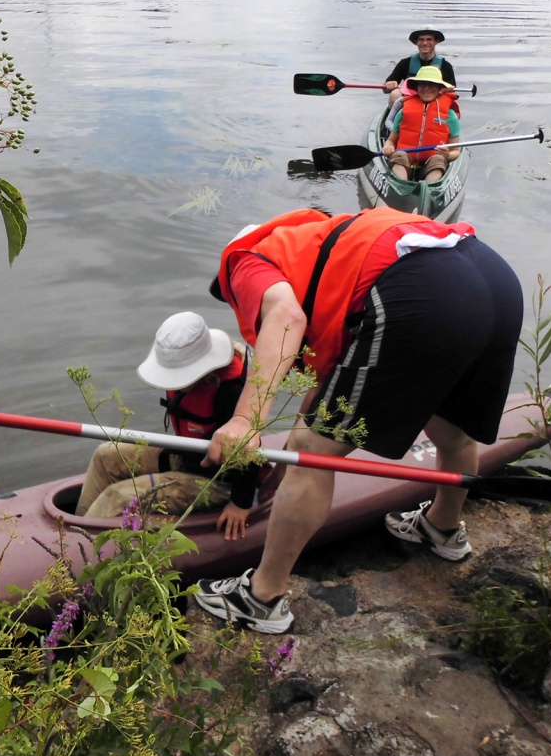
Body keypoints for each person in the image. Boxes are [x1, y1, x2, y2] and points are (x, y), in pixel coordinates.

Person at [193, 207, 523, 632]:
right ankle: (441, 528)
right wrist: (304, 424)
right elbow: (335, 364)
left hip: (425, 290)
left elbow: (286, 317)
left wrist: (246, 420)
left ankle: (261, 597)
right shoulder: (330, 247)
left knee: (311, 454)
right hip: (490, 275)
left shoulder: (247, 260)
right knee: (450, 425)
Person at [75, 311, 261, 540]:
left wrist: (240, 504)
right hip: (185, 456)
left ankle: (83, 548)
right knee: (105, 455)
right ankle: (76, 531)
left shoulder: (231, 391)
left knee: (118, 496)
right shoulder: (188, 379)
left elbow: (251, 451)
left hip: (217, 482)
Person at [381, 65, 461, 183]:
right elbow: (391, 140)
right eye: (422, 84)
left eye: (431, 84)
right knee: (400, 156)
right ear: (417, 87)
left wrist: (448, 155)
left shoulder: (450, 115)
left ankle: (429, 190)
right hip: (404, 160)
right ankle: (401, 187)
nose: (426, 88)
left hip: (432, 164)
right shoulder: (404, 111)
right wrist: (388, 147)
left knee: (438, 160)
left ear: (440, 88)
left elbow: (456, 151)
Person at [383, 25, 457, 106]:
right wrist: (389, 84)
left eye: (429, 39)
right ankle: (396, 117)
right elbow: (385, 89)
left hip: (435, 101)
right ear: (416, 42)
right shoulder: (405, 63)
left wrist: (448, 90)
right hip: (410, 101)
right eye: (421, 40)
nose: (425, 43)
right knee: (395, 94)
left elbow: (453, 92)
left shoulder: (445, 66)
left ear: (436, 41)